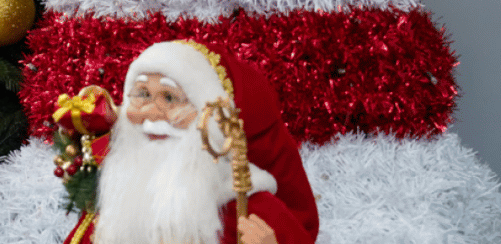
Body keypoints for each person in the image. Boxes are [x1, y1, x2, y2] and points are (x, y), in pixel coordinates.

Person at [70, 40, 318, 244]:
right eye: (143, 94)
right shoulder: (116, 206)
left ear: (208, 117)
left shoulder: (251, 212)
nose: (152, 113)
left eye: (170, 98)